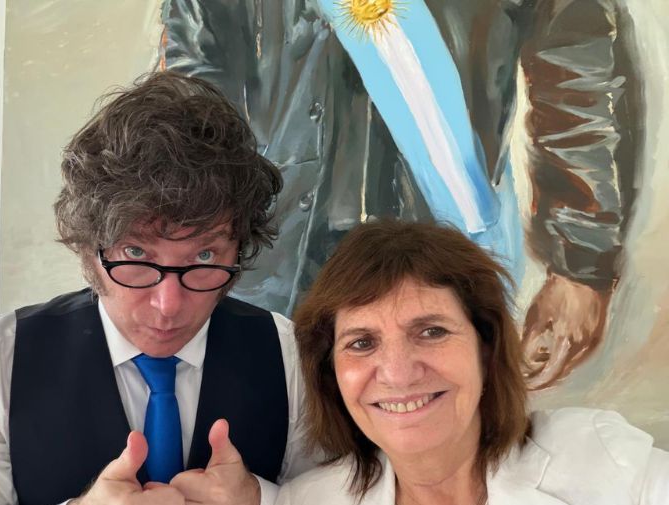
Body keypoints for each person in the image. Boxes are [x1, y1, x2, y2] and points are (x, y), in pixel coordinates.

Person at [0, 71, 314, 505]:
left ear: (241, 249)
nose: (168, 305)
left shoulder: (287, 353)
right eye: (136, 253)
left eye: (205, 255)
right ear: (88, 248)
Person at [160, 0, 643, 389]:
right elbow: (195, 87)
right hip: (272, 261)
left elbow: (577, 63)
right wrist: (185, 264)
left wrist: (581, 261)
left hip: (448, 244)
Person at [262, 220, 669, 505]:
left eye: (431, 331)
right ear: (331, 373)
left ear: (485, 349)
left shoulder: (606, 462)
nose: (398, 373)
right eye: (362, 343)